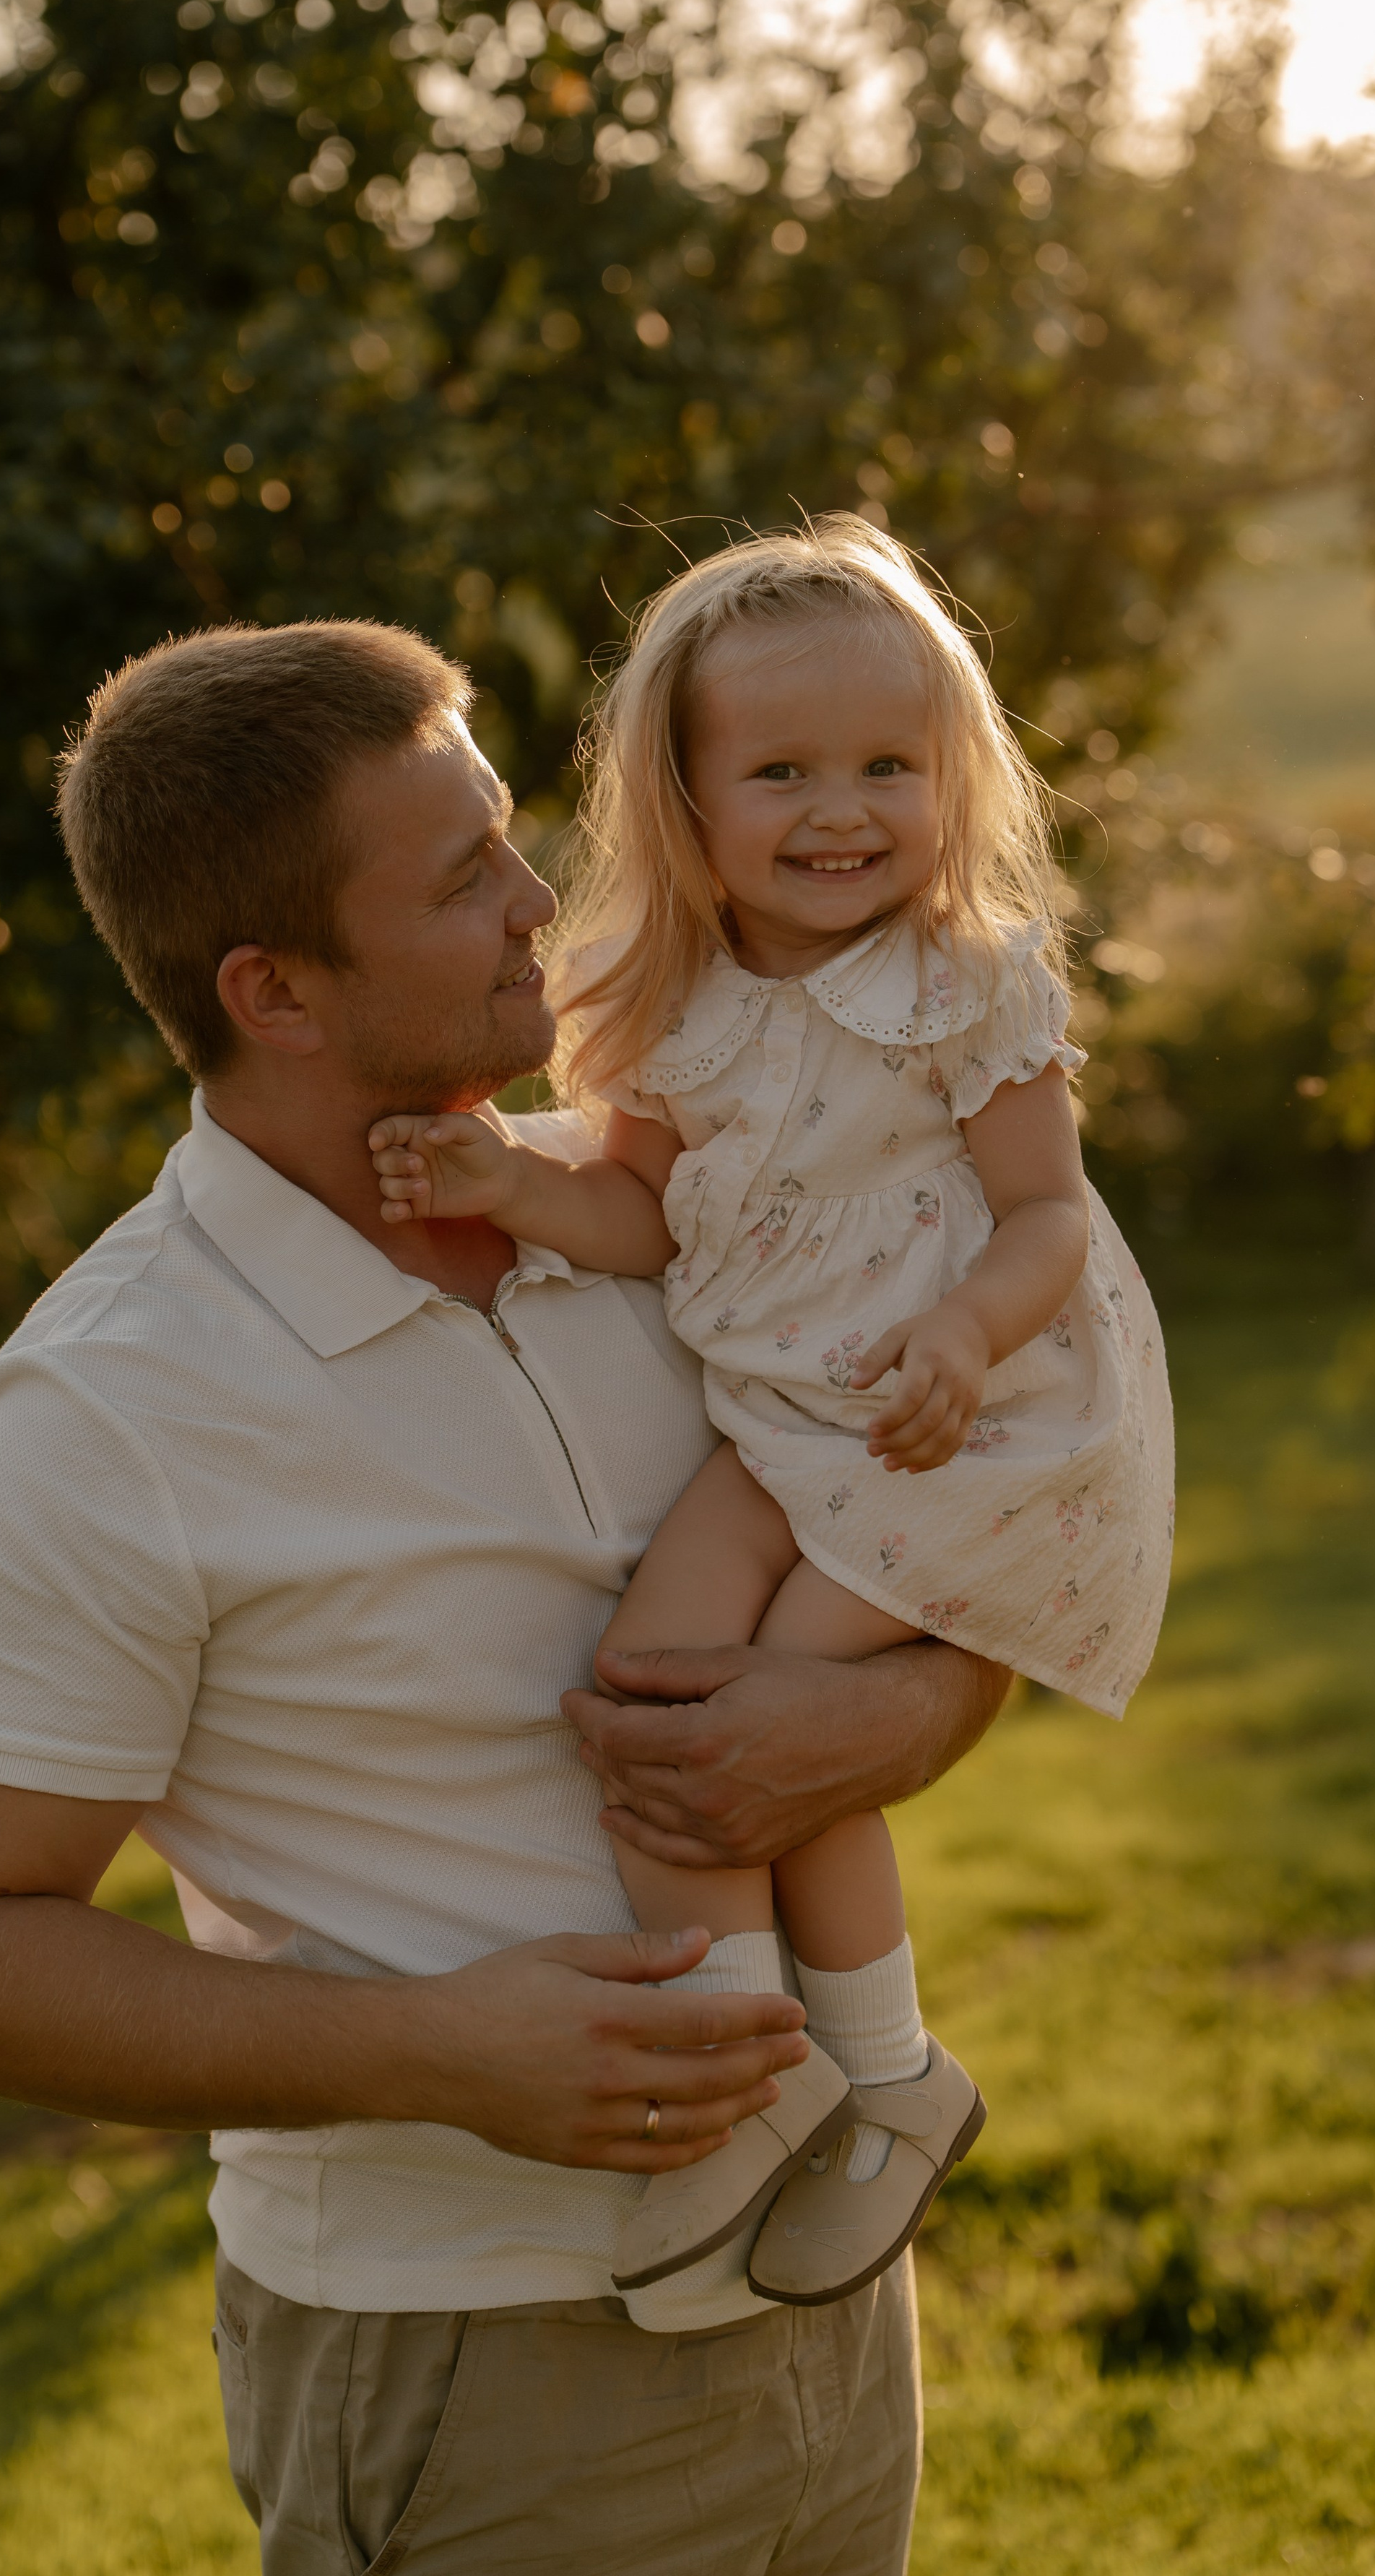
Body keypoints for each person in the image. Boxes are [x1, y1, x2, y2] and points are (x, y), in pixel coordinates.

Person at [0, 613, 1013, 2576]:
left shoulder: (672, 1211)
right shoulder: (101, 1414)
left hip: (832, 2300)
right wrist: (427, 2053)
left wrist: (907, 1717)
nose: (540, 904)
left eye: (512, 835)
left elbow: (948, 1562)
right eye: (464, 875)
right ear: (276, 992)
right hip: (477, 2371)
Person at [370, 517, 1175, 2307]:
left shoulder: (964, 986)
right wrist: (507, 1183)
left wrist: (962, 1338)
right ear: (688, 798)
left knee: (766, 1732)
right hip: (781, 1426)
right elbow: (643, 1220)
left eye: (889, 765)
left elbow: (1045, 1217)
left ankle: (884, 2075)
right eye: (782, 770)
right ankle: (760, 2082)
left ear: (950, 777)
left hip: (950, 1421)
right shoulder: (668, 1009)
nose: (841, 810)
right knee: (647, 1710)